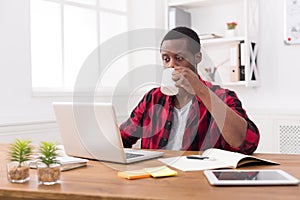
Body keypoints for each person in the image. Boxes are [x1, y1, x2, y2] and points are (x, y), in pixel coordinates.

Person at [119, 27, 259, 155]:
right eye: (166, 59)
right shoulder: (152, 98)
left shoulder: (222, 96)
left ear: (197, 57)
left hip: (198, 179)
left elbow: (246, 144)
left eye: (179, 58)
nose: (171, 65)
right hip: (157, 177)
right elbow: (122, 138)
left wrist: (200, 90)